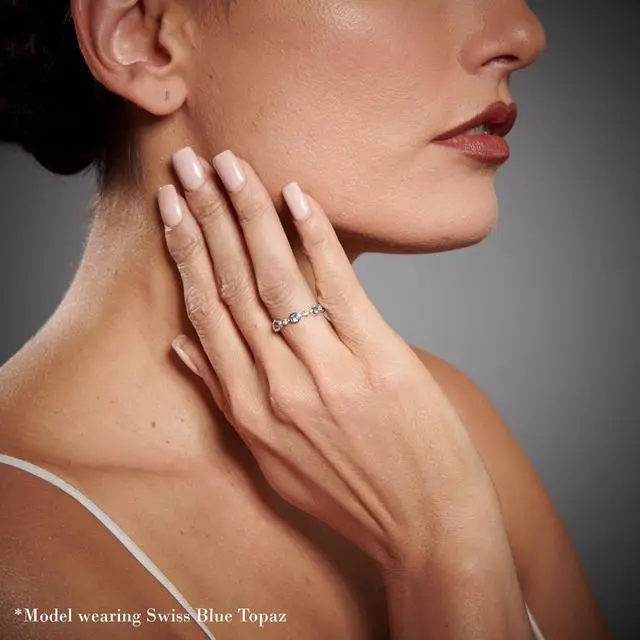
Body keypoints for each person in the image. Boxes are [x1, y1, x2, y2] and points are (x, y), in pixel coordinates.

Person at [0, 0, 612, 638]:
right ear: (141, 37)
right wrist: (446, 555)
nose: (523, 34)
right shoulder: (20, 567)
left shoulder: (443, 432)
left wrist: (448, 536)